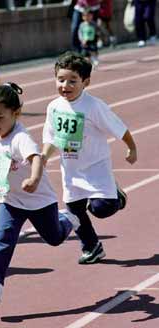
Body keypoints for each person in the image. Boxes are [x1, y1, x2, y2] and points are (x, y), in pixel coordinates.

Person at [0, 83, 80, 304]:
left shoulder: (20, 137)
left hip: (39, 201)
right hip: (12, 201)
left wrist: (33, 179)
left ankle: (68, 219)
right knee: (3, 237)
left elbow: (35, 158)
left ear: (16, 114)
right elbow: (2, 168)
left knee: (54, 238)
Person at [42, 51, 137, 265]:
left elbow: (119, 128)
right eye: (60, 79)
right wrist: (44, 157)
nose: (65, 85)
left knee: (101, 209)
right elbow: (52, 138)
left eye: (72, 81)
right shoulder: (53, 107)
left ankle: (116, 195)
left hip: (96, 167)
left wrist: (132, 148)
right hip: (71, 169)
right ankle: (91, 246)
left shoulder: (94, 106)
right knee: (75, 212)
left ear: (86, 82)